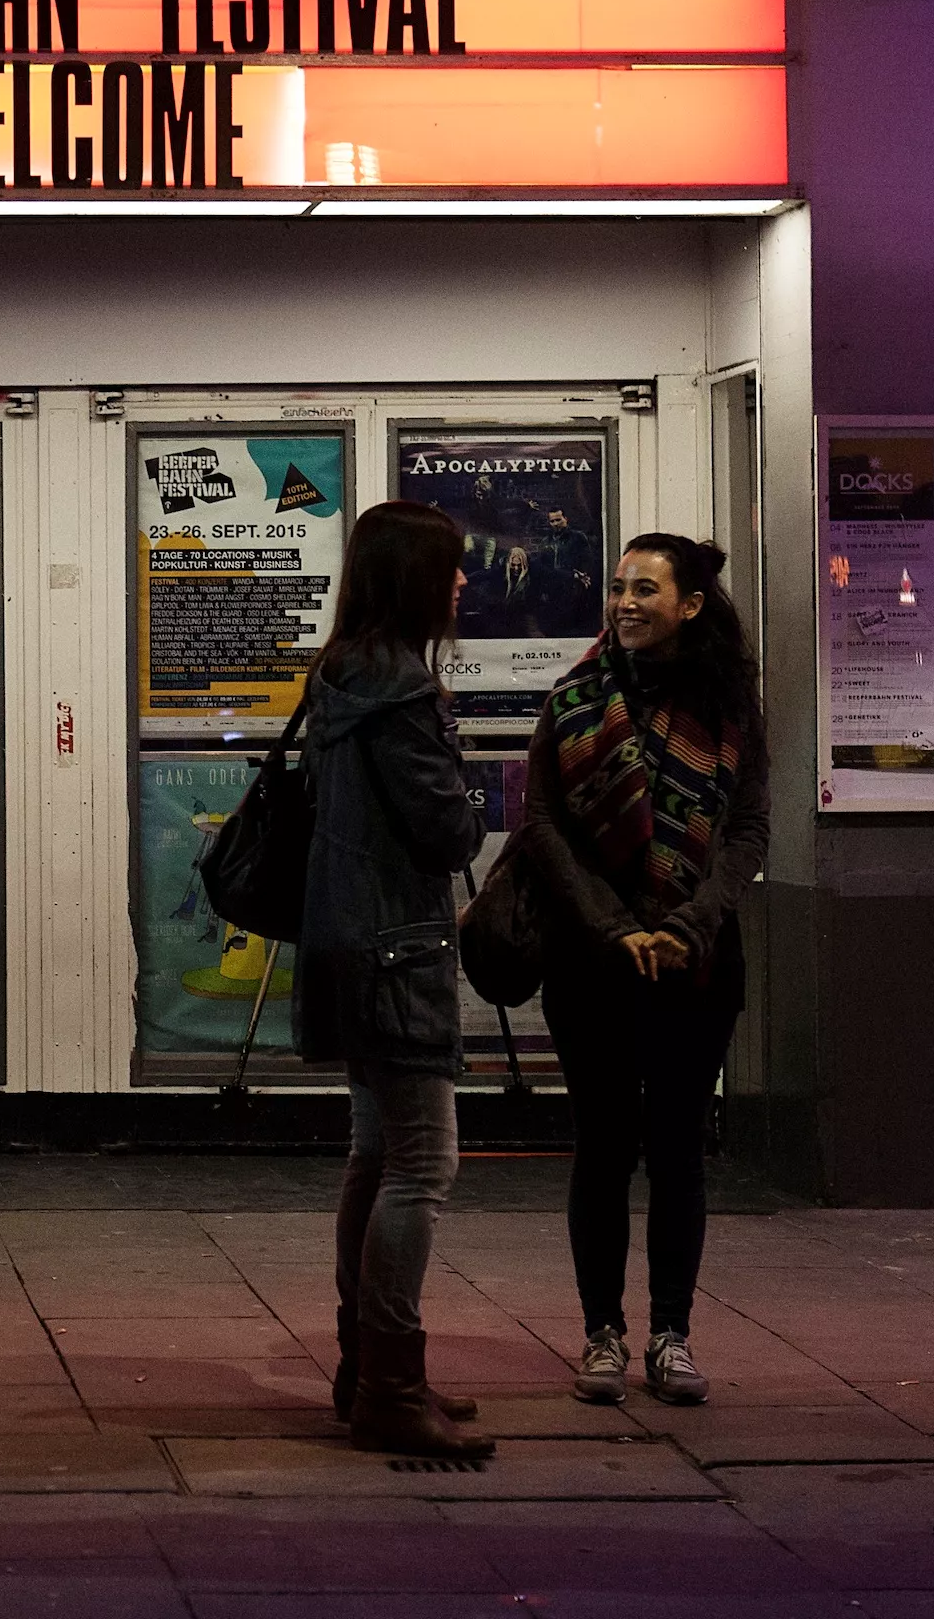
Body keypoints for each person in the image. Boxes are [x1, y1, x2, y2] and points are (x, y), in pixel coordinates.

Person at [523, 534, 769, 1410]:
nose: (625, 603)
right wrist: (615, 928)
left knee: (675, 1149)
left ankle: (671, 1335)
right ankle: (601, 1335)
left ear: (690, 605)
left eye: (646, 589)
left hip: (695, 965)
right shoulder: (576, 699)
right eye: (620, 588)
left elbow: (747, 833)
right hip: (593, 963)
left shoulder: (729, 707)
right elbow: (542, 828)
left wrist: (690, 925)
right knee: (602, 1149)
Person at [294, 499, 493, 1460]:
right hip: (397, 952)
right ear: (416, 579)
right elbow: (449, 832)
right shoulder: (405, 693)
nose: (463, 583)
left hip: (343, 940)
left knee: (373, 1157)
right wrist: (475, 794)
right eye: (450, 568)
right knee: (424, 1165)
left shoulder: (339, 677)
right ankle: (388, 1384)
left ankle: (361, 1367)